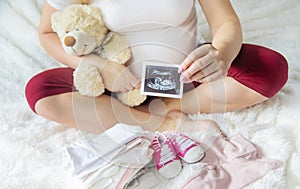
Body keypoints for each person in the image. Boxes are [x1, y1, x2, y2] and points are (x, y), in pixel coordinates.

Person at [25, 0, 288, 134]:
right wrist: (97, 65)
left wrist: (221, 54)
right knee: (41, 91)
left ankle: (172, 107)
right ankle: (154, 122)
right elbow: (47, 32)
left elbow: (226, 22)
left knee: (271, 68)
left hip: (183, 78)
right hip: (114, 85)